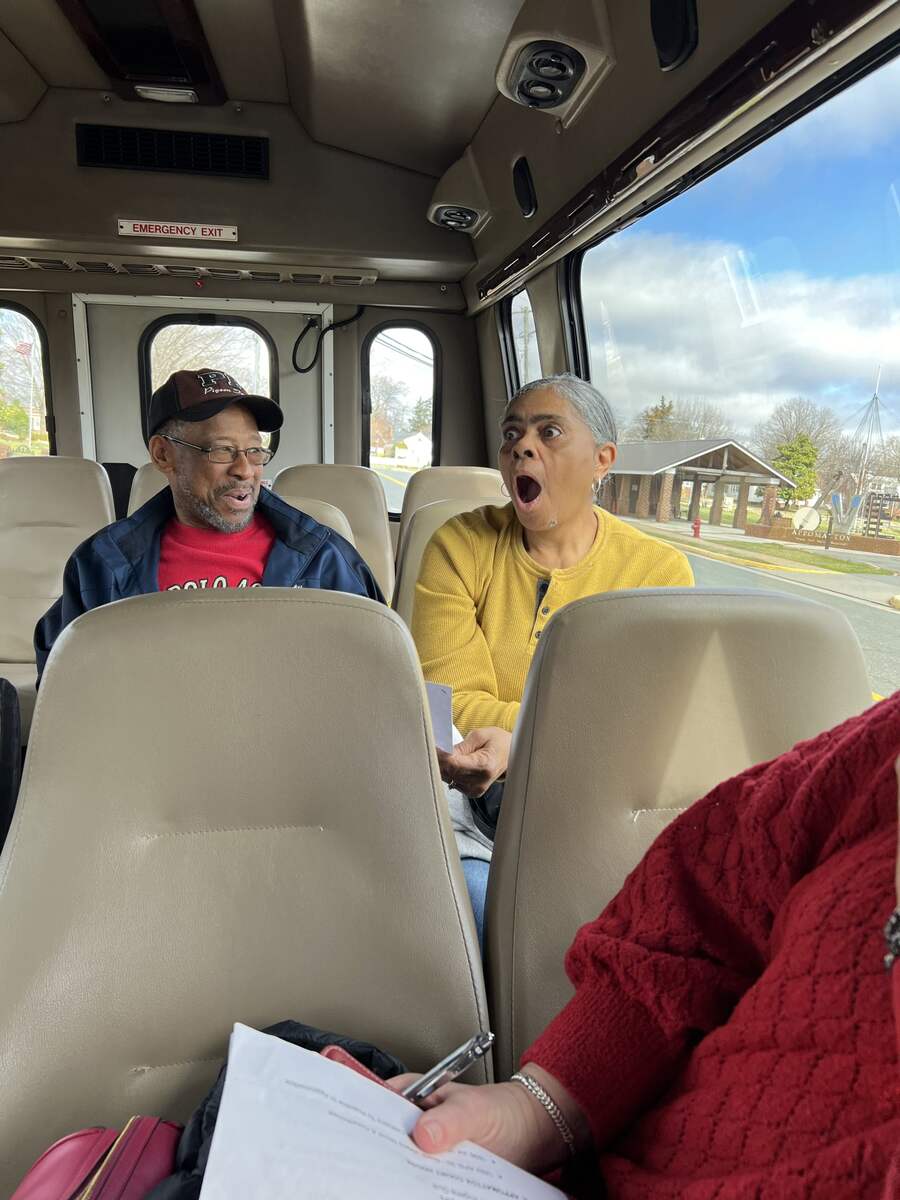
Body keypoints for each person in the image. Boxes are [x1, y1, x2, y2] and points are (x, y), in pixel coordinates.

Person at [390, 692, 900, 1197]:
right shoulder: (877, 751)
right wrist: (540, 1109)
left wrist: (526, 731)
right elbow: (707, 896)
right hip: (483, 806)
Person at [411, 374, 693, 937]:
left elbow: (644, 727)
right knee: (500, 927)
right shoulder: (457, 545)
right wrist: (569, 731)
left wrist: (521, 743)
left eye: (550, 431)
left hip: (603, 811)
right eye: (512, 433)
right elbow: (454, 703)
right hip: (470, 809)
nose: (522, 445)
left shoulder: (658, 573)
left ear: (602, 460)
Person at [34, 368, 382, 679]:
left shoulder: (323, 556)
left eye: (254, 451)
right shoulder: (102, 564)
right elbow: (67, 690)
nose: (245, 470)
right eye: (222, 451)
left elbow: (378, 668)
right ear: (163, 455)